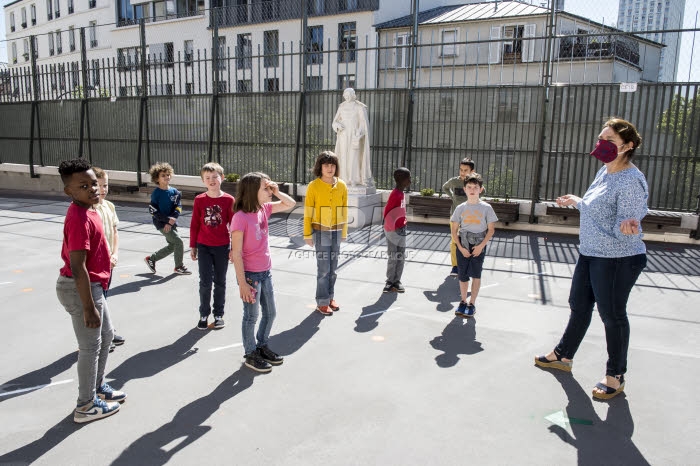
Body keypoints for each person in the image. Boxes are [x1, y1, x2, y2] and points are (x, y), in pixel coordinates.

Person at [535, 118, 648, 400]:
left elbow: (629, 225)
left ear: (627, 146)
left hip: (618, 258)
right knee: (579, 305)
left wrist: (629, 226)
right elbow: (596, 206)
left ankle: (616, 375)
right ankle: (563, 355)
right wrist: (578, 200)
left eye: (609, 141)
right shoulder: (605, 171)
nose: (602, 144)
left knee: (612, 316)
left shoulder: (631, 180)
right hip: (591, 253)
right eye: (601, 138)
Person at [55, 158, 126, 424]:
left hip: (93, 286)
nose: (93, 189)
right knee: (90, 347)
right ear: (69, 192)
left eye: (94, 183)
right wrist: (88, 307)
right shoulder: (78, 217)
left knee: (106, 337)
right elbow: (77, 266)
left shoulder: (91, 211)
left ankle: (96, 388)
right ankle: (85, 405)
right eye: (83, 186)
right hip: (80, 289)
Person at [230, 172, 296, 373]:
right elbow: (237, 254)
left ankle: (261, 345)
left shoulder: (264, 209)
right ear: (252, 191)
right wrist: (242, 283)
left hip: (265, 273)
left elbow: (290, 204)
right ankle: (250, 353)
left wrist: (276, 191)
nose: (269, 191)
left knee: (271, 313)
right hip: (250, 275)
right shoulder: (240, 218)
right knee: (251, 316)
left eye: (269, 188)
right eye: (265, 188)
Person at [190, 162, 235, 331]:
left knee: (220, 281)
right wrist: (193, 245)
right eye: (207, 178)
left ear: (222, 178)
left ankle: (218, 314)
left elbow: (234, 226)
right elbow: (195, 224)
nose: (212, 180)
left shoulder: (229, 200)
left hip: (222, 246)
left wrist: (233, 248)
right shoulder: (199, 200)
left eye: (215, 177)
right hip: (204, 247)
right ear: (203, 181)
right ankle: (203, 314)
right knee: (205, 282)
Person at [303, 151, 348, 316]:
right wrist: (307, 234)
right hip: (320, 232)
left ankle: (330, 298)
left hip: (337, 231)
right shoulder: (313, 186)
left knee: (333, 268)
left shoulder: (342, 185)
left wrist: (344, 232)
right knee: (323, 269)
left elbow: (344, 209)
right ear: (320, 167)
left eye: (332, 165)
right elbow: (308, 211)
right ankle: (321, 302)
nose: (330, 168)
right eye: (326, 165)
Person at [450, 173, 497, 318]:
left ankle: (472, 303)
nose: (472, 190)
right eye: (469, 187)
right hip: (463, 244)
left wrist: (481, 246)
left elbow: (491, 230)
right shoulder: (460, 208)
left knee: (476, 274)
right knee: (462, 275)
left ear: (481, 189)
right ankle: (463, 301)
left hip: (478, 245)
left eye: (475, 187)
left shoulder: (486, 208)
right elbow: (454, 230)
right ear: (464, 189)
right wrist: (461, 247)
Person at [92, 167, 125, 351]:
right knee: (98, 301)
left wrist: (115, 253)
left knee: (104, 298)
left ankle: (108, 333)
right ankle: (103, 336)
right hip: (97, 264)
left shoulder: (109, 206)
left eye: (105, 185)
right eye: (99, 185)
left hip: (109, 262)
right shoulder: (91, 208)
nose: (103, 189)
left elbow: (114, 232)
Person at [144, 162, 191, 275]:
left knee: (172, 245)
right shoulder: (156, 193)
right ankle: (178, 267)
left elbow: (178, 206)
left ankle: (152, 259)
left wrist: (172, 219)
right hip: (161, 223)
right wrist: (167, 221)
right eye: (163, 175)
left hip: (171, 222)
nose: (166, 177)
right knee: (178, 242)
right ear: (157, 178)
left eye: (167, 174)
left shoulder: (175, 192)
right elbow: (153, 210)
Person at [332, 88, 372, 186]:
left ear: (353, 95)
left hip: (355, 135)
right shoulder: (341, 107)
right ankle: (344, 178)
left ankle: (354, 178)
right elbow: (334, 121)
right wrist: (337, 125)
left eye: (349, 94)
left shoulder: (359, 107)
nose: (347, 96)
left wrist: (359, 133)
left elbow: (363, 123)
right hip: (343, 135)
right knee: (343, 156)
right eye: (345, 95)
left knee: (354, 156)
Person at [442, 158, 475, 276]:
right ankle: (455, 267)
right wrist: (452, 197)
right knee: (454, 241)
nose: (462, 172)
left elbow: (482, 191)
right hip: (455, 216)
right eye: (461, 169)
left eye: (466, 170)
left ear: (472, 171)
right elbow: (445, 187)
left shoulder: (473, 182)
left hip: (470, 217)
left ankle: (468, 265)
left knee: (470, 241)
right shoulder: (454, 181)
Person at [383, 167, 411, 293]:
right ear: (402, 180)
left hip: (402, 229)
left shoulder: (402, 193)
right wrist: (392, 229)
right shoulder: (395, 194)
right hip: (393, 231)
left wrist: (404, 221)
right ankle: (390, 281)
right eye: (408, 178)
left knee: (400, 256)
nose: (410, 180)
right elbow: (387, 212)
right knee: (393, 256)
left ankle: (397, 281)